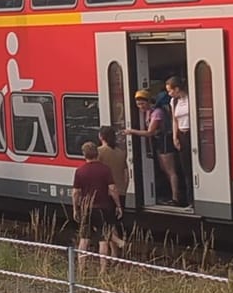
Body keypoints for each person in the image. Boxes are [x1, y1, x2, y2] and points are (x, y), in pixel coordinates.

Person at [125, 90, 181, 205]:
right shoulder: (149, 111)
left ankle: (176, 197)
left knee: (170, 170)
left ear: (149, 102)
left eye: (142, 104)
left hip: (165, 140)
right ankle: (172, 194)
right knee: (164, 168)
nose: (140, 107)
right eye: (138, 104)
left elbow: (150, 132)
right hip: (159, 142)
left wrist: (131, 131)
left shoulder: (157, 112)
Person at [71, 141, 119, 271]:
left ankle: (81, 268)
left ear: (84, 155)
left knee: (84, 239)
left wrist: (75, 208)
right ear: (97, 154)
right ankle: (103, 269)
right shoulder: (105, 169)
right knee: (103, 240)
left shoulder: (80, 171)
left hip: (86, 209)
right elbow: (113, 188)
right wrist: (118, 205)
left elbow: (76, 192)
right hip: (103, 208)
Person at [96, 126, 131, 251]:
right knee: (113, 224)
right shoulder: (121, 153)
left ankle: (118, 246)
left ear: (101, 137)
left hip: (105, 193)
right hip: (120, 192)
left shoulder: (99, 152)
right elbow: (127, 174)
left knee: (104, 224)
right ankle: (115, 256)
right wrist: (124, 188)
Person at [167, 76, 193, 206]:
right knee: (185, 167)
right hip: (181, 134)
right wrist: (175, 137)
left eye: (170, 90)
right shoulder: (173, 102)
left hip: (192, 133)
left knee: (194, 166)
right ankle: (189, 200)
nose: (169, 93)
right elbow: (174, 119)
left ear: (177, 89)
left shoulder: (191, 99)